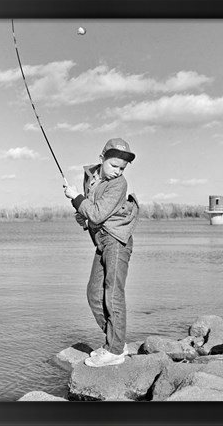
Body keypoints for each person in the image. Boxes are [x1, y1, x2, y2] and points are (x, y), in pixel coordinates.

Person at [63, 138, 139, 367]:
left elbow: (97, 214)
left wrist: (76, 199)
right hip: (102, 242)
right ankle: (116, 341)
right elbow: (91, 215)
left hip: (117, 241)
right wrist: (81, 213)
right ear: (102, 159)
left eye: (122, 168)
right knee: (94, 294)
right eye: (114, 165)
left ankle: (115, 350)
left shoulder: (119, 184)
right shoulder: (91, 177)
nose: (118, 172)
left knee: (113, 293)